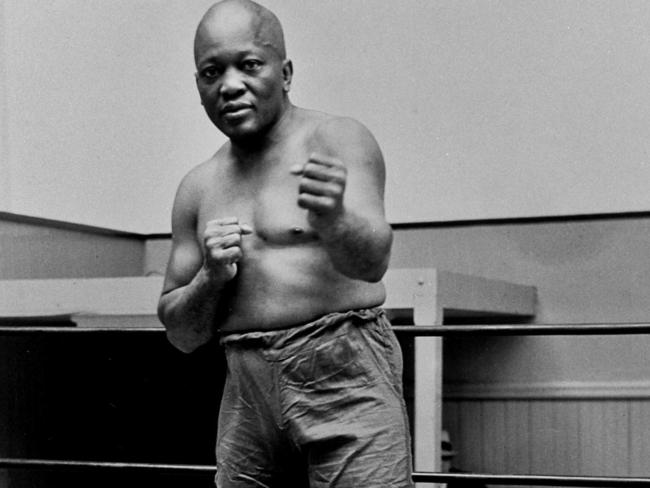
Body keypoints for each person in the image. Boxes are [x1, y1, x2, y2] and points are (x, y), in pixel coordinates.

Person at [157, 0, 413, 486]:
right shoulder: (198, 187)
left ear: (285, 72)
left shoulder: (337, 139)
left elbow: (373, 262)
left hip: (343, 369)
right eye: (213, 72)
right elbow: (182, 334)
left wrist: (334, 219)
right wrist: (211, 277)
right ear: (199, 86)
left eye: (249, 64)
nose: (230, 85)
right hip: (246, 384)